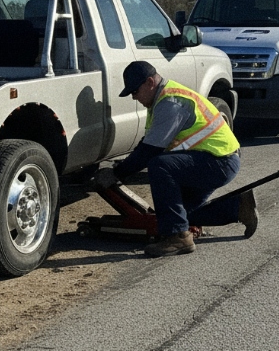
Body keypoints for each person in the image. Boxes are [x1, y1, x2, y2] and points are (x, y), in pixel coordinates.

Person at [93, 61, 257, 257]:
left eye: (135, 91)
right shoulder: (162, 100)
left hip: (219, 161)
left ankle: (178, 238)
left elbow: (149, 151)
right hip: (217, 160)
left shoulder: (170, 102)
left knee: (159, 166)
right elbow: (148, 143)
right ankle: (238, 208)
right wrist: (120, 168)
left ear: (150, 82)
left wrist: (116, 174)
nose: (135, 97)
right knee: (176, 214)